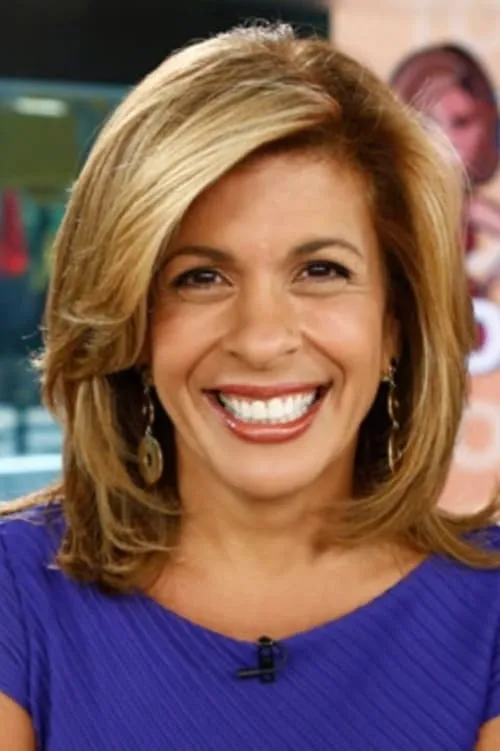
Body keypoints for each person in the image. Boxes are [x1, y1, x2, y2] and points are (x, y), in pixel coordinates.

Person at [1, 23, 500, 751]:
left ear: (394, 322)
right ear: (132, 322)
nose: (263, 339)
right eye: (200, 277)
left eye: (321, 270)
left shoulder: (489, 612)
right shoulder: (15, 589)